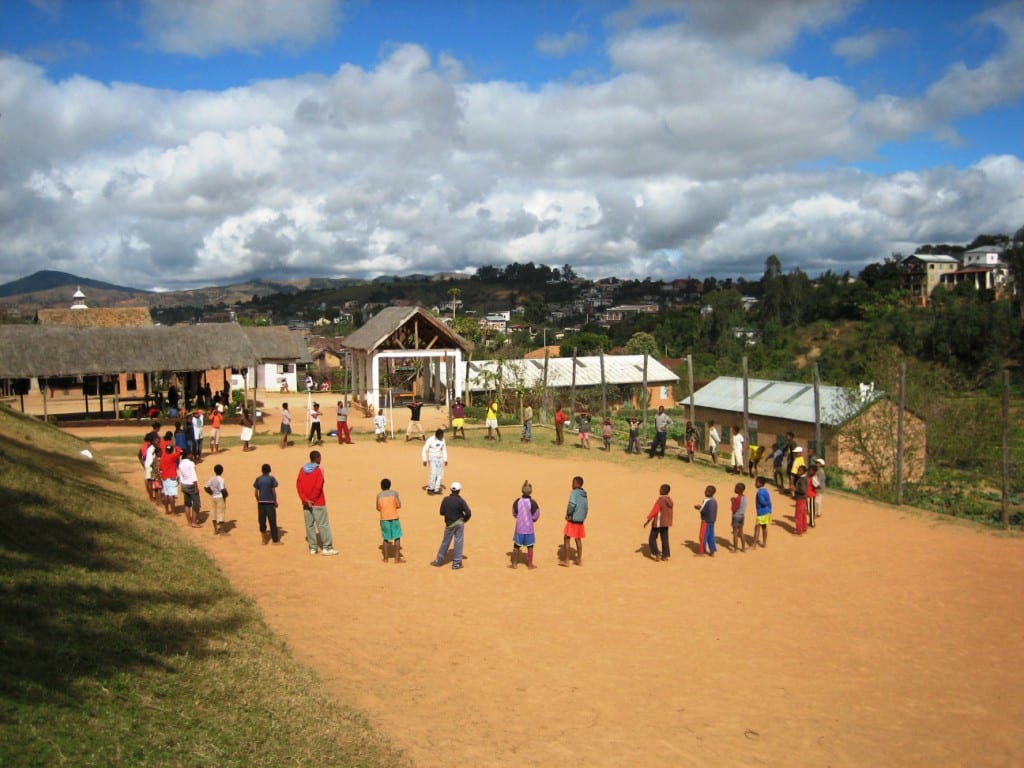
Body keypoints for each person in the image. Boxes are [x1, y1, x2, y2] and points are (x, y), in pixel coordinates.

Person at [296, 450, 338, 556]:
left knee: (309, 525)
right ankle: (327, 547)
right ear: (318, 458)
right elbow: (318, 486)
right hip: (318, 502)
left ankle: (313, 548)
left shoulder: (302, 469)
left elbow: (299, 485)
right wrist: (312, 500)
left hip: (306, 503)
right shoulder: (319, 470)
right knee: (323, 524)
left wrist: (305, 499)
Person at [430, 481, 472, 570]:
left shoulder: (445, 499)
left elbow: (441, 512)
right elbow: (468, 512)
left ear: (451, 490)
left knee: (445, 542)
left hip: (449, 524)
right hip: (459, 523)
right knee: (458, 542)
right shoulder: (461, 501)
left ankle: (438, 561)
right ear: (459, 490)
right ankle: (456, 563)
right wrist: (464, 520)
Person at [510, 480, 540, 569]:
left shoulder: (517, 501)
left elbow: (514, 512)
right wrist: (533, 520)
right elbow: (536, 514)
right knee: (530, 546)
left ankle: (514, 564)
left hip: (519, 528)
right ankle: (530, 564)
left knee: (516, 546)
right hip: (529, 528)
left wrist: (518, 517)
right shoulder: (533, 503)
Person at [560, 475, 588, 567]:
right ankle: (579, 560)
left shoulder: (574, 493)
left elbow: (572, 504)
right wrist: (583, 517)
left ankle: (567, 560)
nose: (572, 484)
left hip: (573, 519)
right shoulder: (584, 494)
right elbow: (586, 508)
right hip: (580, 520)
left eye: (573, 483)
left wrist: (568, 514)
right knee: (578, 539)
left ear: (577, 484)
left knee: (567, 538)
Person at [643, 483, 674, 562]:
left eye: (660, 489)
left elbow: (654, 511)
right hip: (666, 523)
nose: (659, 490)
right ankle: (665, 555)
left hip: (658, 523)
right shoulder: (670, 501)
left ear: (663, 491)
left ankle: (657, 553)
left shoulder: (660, 501)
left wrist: (648, 521)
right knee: (665, 539)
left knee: (652, 539)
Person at [376, 478, 404, 563]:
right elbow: (399, 505)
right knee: (397, 537)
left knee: (385, 538)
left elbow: (378, 508)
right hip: (394, 517)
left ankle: (385, 558)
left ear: (381, 487)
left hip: (384, 519)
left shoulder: (379, 495)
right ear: (390, 485)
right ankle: (397, 558)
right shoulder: (394, 494)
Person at [252, 463, 279, 544]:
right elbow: (273, 491)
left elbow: (256, 493)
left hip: (261, 503)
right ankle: (275, 540)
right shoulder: (271, 479)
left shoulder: (258, 479)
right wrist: (275, 501)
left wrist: (258, 500)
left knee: (262, 521)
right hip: (270, 502)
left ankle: (264, 540)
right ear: (269, 470)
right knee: (272, 521)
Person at [159, 434, 183, 516]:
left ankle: (167, 511)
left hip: (164, 477)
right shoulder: (172, 456)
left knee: (166, 494)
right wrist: (176, 447)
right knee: (172, 495)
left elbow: (160, 468)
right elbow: (180, 451)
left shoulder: (163, 457)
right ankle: (173, 512)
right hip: (171, 477)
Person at [178, 449, 202, 528]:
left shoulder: (181, 463)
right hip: (191, 485)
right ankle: (194, 522)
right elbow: (194, 476)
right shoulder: (191, 463)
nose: (192, 455)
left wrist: (182, 484)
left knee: (187, 503)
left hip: (184, 484)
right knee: (196, 503)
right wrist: (196, 487)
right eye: (191, 454)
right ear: (188, 455)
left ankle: (189, 521)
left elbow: (180, 475)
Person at [422, 428, 448, 495]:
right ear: (437, 435)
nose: (442, 437)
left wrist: (445, 459)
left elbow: (444, 450)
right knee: (433, 473)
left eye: (442, 435)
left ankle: (436, 488)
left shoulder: (443, 440)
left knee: (440, 474)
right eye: (441, 436)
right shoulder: (430, 440)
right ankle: (430, 488)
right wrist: (424, 459)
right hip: (432, 458)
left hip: (440, 459)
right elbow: (424, 450)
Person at [204, 463, 228, 536]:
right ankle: (222, 531)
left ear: (215, 471)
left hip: (214, 497)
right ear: (222, 471)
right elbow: (222, 489)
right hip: (220, 497)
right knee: (220, 514)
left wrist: (211, 493)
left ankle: (215, 530)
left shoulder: (212, 479)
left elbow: (206, 487)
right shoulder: (221, 480)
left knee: (214, 514)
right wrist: (226, 495)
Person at [696, 485, 718, 556]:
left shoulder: (706, 500)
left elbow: (704, 510)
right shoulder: (714, 501)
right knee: (711, 535)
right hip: (712, 521)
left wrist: (699, 508)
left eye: (707, 491)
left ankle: (701, 552)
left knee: (703, 536)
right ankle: (712, 550)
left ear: (710, 492)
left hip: (706, 521)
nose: (705, 492)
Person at [753, 476, 772, 548]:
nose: (755, 484)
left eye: (756, 482)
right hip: (767, 511)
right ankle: (764, 543)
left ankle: (754, 544)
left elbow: (763, 502)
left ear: (760, 483)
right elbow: (769, 502)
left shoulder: (760, 492)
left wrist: (765, 504)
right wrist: (770, 510)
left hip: (761, 512)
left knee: (757, 528)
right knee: (764, 527)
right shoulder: (766, 490)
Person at [730, 482, 747, 552]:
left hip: (736, 516)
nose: (735, 489)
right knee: (741, 532)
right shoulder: (744, 497)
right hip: (742, 516)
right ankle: (743, 548)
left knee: (735, 533)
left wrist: (732, 502)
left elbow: (733, 509)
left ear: (739, 490)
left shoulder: (737, 499)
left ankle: (735, 549)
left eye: (736, 488)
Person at [793, 464, 809, 535]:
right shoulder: (805, 478)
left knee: (798, 515)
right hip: (803, 499)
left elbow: (803, 490)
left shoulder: (802, 479)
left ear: (803, 472)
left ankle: (799, 530)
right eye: (798, 470)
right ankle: (803, 528)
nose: (798, 472)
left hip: (800, 498)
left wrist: (795, 489)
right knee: (803, 514)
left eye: (800, 471)